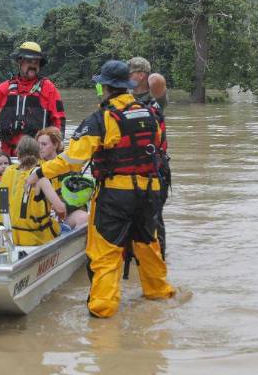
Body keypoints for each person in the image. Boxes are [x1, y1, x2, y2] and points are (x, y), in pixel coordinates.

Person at [26, 60, 174, 318]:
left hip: (116, 195)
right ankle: (159, 294)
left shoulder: (102, 119)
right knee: (148, 247)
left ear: (104, 88)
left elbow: (73, 159)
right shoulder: (151, 113)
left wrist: (40, 172)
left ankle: (102, 315)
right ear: (126, 86)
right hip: (150, 192)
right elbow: (160, 148)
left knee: (105, 253)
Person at [0, 41, 66, 158]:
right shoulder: (2, 89)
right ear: (19, 62)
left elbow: (59, 119)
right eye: (29, 61)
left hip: (38, 154)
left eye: (36, 62)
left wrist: (58, 143)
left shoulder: (49, 89)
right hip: (7, 156)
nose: (33, 65)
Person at [128, 56, 171, 257]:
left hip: (156, 168)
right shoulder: (124, 98)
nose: (128, 75)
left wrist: (151, 76)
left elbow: (158, 81)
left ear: (141, 75)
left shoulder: (156, 99)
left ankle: (159, 257)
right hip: (130, 168)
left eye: (132, 72)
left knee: (154, 218)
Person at [0, 136, 66, 246]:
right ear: (39, 154)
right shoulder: (40, 177)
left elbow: (3, 208)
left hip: (11, 237)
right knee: (68, 228)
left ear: (18, 154)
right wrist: (61, 216)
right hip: (37, 238)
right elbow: (60, 209)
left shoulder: (8, 172)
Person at [36, 127, 89, 228]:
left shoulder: (70, 167)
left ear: (55, 145)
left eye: (44, 144)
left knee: (84, 218)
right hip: (42, 216)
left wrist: (61, 206)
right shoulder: (34, 167)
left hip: (65, 215)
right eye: (38, 144)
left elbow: (78, 199)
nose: (40, 148)